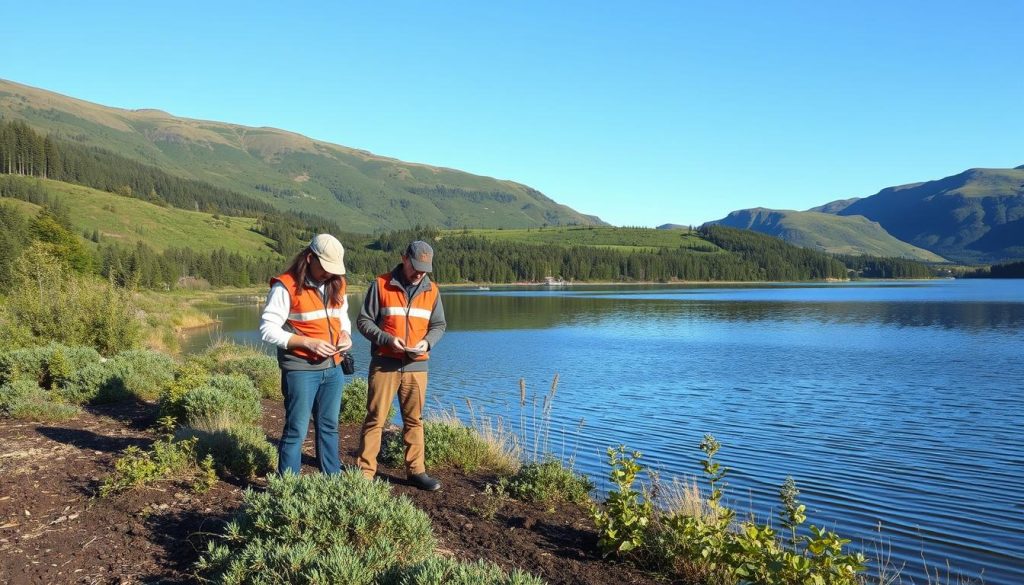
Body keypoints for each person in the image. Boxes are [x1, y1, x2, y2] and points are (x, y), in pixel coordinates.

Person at [356, 240, 447, 491]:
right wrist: (386, 339)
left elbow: (439, 326)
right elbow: (364, 321)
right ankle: (365, 473)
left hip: (417, 365)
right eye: (416, 266)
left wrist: (427, 344)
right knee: (376, 418)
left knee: (414, 420)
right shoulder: (380, 284)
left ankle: (416, 471)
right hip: (384, 362)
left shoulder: (432, 291)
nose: (419, 273)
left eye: (425, 269)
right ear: (404, 258)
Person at [259, 234, 352, 475]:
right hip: (300, 369)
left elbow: (343, 318)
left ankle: (332, 479)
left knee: (329, 426)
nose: (329, 274)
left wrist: (345, 335)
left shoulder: (338, 283)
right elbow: (267, 329)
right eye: (325, 268)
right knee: (297, 429)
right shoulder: (285, 286)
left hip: (333, 368)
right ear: (310, 258)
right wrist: (306, 343)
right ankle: (288, 486)